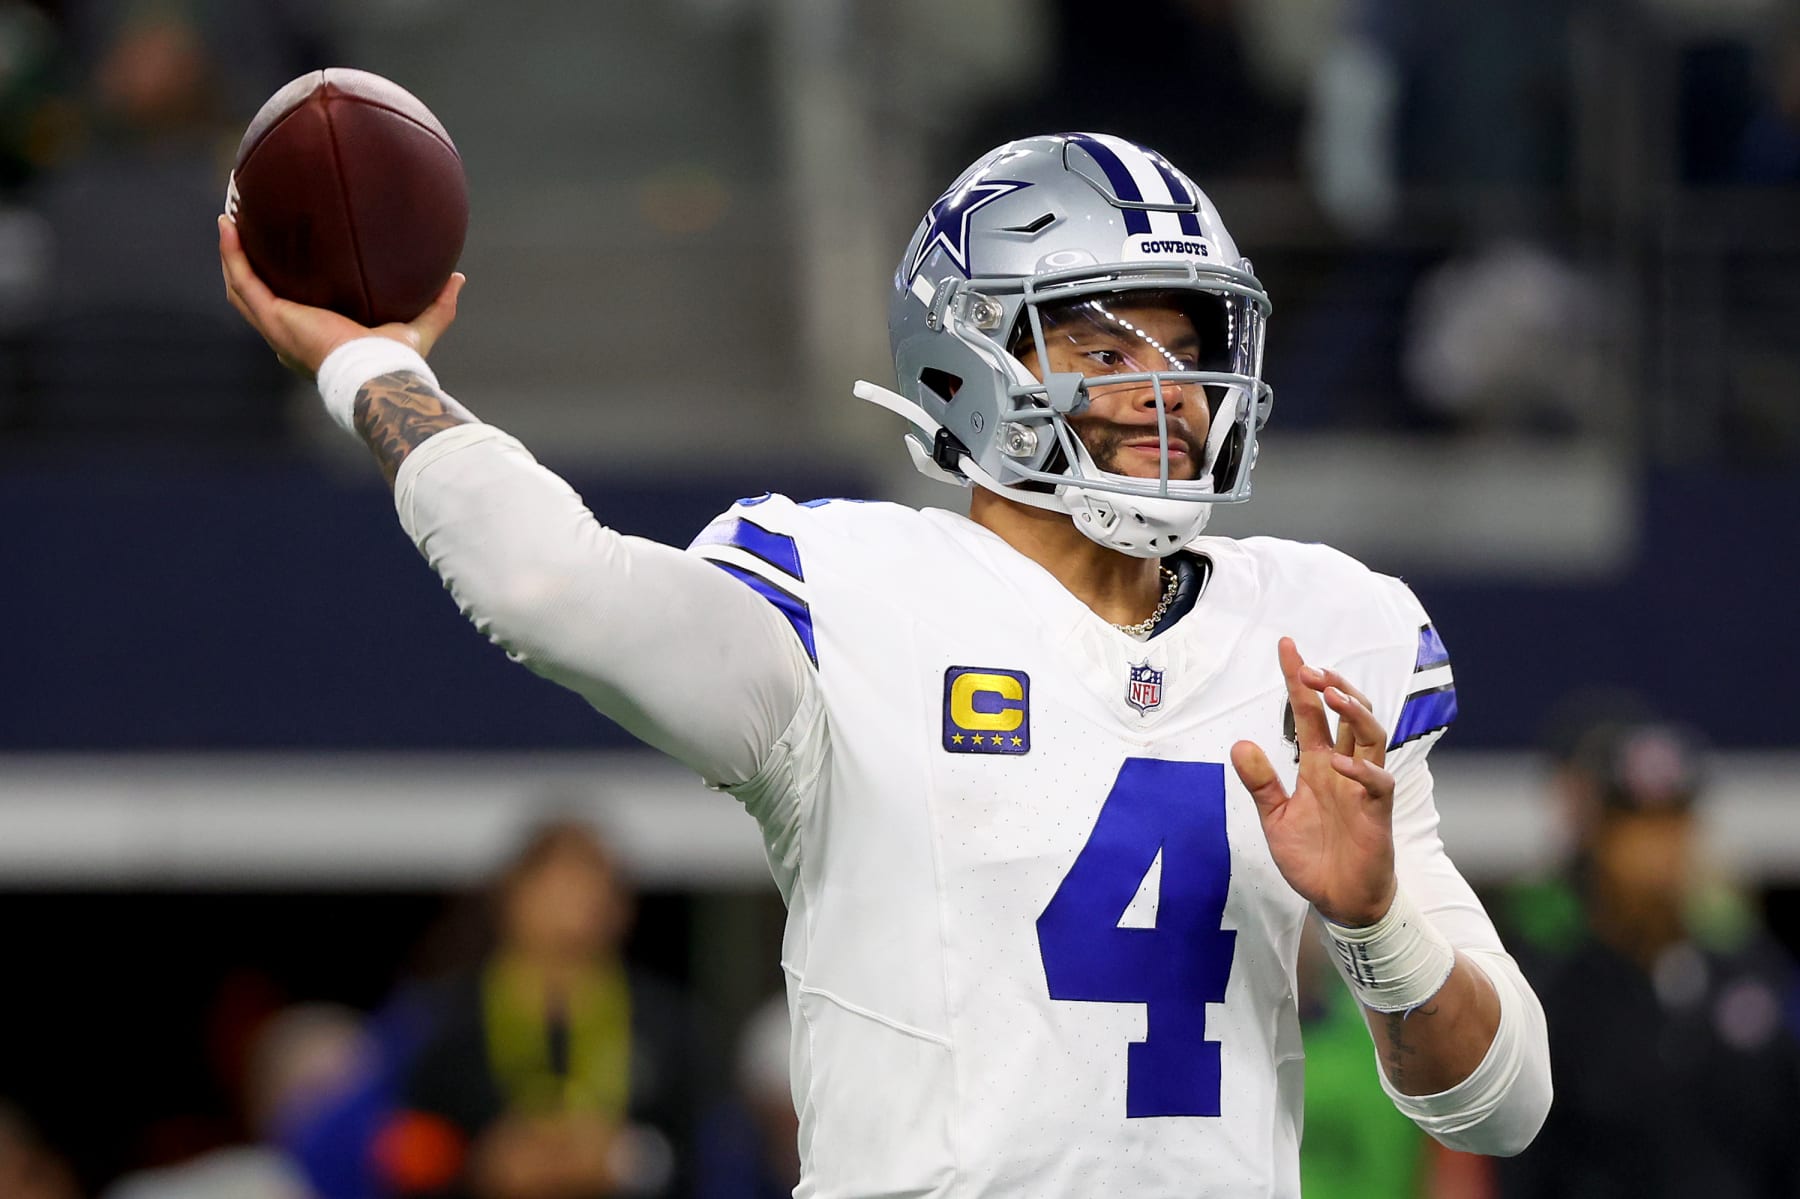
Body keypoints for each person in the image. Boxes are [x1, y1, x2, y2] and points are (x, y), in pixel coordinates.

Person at [219, 131, 1551, 1195]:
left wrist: (1373, 924)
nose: (1169, 394)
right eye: (1102, 345)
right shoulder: (847, 593)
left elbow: (1504, 1102)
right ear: (966, 362)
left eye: (1191, 350)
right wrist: (374, 374)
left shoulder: (1324, 633)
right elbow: (548, 585)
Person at [1494, 721, 1800, 1198]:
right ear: (1599, 840)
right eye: (1638, 829)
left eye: (1673, 824)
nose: (1658, 854)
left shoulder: (1752, 980)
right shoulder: (1553, 997)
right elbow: (1525, 1169)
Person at [392, 819, 696, 1199]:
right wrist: (483, 1165)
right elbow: (406, 1154)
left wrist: (624, 1160)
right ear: (510, 898)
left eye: (589, 886)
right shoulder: (447, 1022)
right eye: (554, 886)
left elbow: (701, 1157)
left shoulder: (664, 1024)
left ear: (621, 907)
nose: (572, 905)